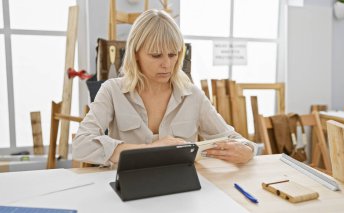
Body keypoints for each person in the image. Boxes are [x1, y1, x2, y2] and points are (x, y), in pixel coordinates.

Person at [73, 9, 258, 166]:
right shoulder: (112, 91)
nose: (167, 64)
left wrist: (247, 151)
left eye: (173, 54)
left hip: (181, 191)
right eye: (156, 55)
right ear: (135, 53)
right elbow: (81, 144)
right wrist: (149, 151)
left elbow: (236, 139)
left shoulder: (192, 95)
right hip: (128, 191)